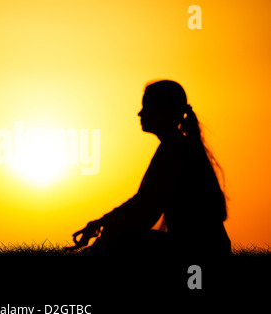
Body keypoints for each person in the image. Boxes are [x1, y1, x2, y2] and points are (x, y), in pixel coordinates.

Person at [68, 80, 231, 257]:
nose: (140, 113)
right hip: (203, 247)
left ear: (163, 111)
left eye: (146, 107)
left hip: (198, 251)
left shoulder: (174, 150)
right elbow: (145, 203)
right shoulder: (177, 146)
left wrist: (104, 227)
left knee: (118, 239)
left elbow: (145, 209)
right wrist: (103, 223)